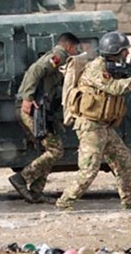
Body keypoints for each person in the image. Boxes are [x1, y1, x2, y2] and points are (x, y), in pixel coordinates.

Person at [55, 31, 131, 211]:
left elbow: (124, 83)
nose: (127, 54)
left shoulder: (113, 67)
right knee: (89, 170)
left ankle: (129, 199)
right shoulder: (97, 68)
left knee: (123, 160)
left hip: (104, 126)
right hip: (90, 126)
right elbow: (114, 88)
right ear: (115, 51)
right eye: (124, 51)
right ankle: (64, 203)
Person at [9, 33, 81, 204]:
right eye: (76, 48)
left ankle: (36, 191)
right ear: (69, 46)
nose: (77, 51)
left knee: (49, 151)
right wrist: (27, 96)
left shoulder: (63, 61)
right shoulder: (58, 56)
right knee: (56, 151)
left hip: (40, 110)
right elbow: (35, 70)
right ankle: (21, 178)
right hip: (30, 108)